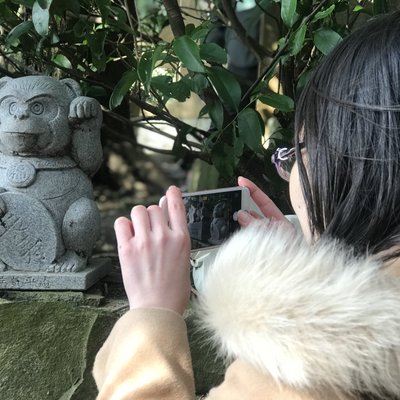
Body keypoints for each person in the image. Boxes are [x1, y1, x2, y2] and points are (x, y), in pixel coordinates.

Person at [93, 12, 400, 400]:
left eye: (297, 153)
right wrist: (314, 272)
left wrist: (152, 316)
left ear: (349, 165)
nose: (289, 176)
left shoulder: (310, 358)